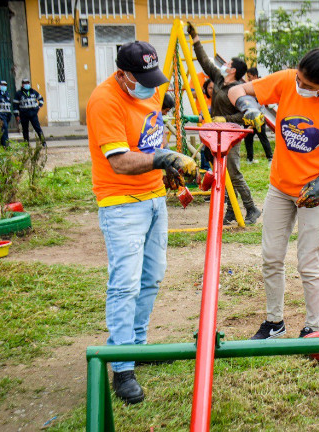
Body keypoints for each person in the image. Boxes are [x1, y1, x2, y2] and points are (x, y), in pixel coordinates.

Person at [87, 41, 199, 404]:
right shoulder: (105, 101)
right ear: (122, 75)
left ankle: (137, 347)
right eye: (143, 79)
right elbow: (119, 161)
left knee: (151, 277)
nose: (151, 87)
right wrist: (167, 157)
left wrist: (165, 170)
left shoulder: (148, 91)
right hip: (121, 205)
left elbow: (151, 136)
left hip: (153, 200)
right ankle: (122, 367)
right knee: (125, 284)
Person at [228, 45, 319, 339]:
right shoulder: (287, 80)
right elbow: (236, 91)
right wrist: (248, 107)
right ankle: (274, 322)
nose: (299, 86)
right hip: (280, 188)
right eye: (298, 79)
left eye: (308, 85)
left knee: (309, 264)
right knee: (271, 257)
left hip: (314, 194)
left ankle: (312, 328)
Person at [187, 22, 261, 225]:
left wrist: (225, 120)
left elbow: (245, 116)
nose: (224, 63)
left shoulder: (240, 89)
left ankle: (251, 207)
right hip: (218, 135)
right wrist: (196, 39)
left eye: (228, 63)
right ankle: (230, 210)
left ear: (234, 69)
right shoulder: (219, 80)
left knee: (233, 172)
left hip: (232, 135)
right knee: (222, 172)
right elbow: (205, 62)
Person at [242, 67, 273, 164]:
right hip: (249, 117)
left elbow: (264, 100)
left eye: (250, 77)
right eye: (247, 77)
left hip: (259, 117)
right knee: (248, 138)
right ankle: (249, 158)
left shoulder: (261, 86)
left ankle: (270, 158)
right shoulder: (247, 87)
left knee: (262, 137)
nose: (248, 79)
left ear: (255, 76)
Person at [12, 78, 46, 146]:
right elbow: (15, 105)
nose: (27, 84)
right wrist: (16, 115)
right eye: (25, 83)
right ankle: (26, 144)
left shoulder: (33, 92)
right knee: (25, 130)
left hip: (33, 114)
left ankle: (43, 142)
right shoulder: (18, 94)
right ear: (22, 85)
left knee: (38, 128)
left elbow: (41, 99)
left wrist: (39, 106)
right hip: (24, 114)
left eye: (28, 83)